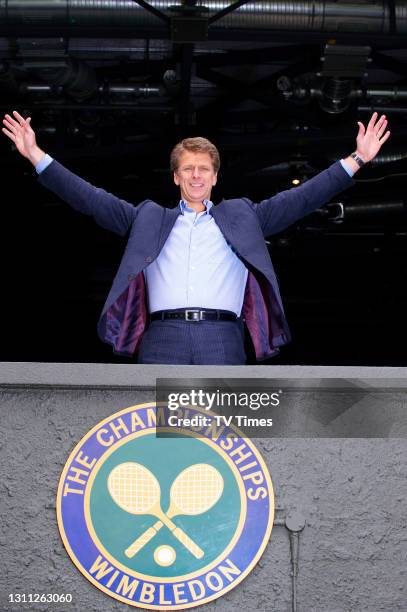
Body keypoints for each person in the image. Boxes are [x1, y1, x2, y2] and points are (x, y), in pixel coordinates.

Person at [2, 110, 390, 365]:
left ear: (216, 176)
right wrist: (37, 156)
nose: (196, 176)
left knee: (221, 441)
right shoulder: (148, 218)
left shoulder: (244, 216)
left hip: (222, 338)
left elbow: (302, 198)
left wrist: (355, 160)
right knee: (164, 443)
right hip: (162, 339)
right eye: (188, 169)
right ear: (176, 176)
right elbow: (90, 199)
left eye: (204, 169)